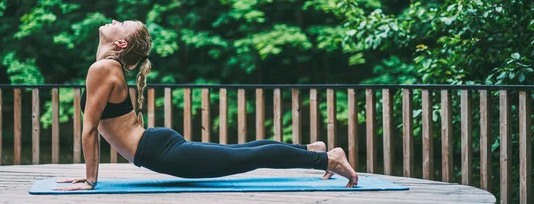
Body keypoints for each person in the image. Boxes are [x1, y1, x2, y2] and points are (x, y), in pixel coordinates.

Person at [54, 20, 358, 191]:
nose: (114, 21)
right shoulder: (106, 68)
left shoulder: (102, 68)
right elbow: (94, 128)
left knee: (245, 157)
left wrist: (91, 180)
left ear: (120, 44)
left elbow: (90, 129)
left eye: (122, 24)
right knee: (243, 151)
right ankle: (312, 149)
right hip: (156, 146)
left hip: (159, 151)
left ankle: (328, 159)